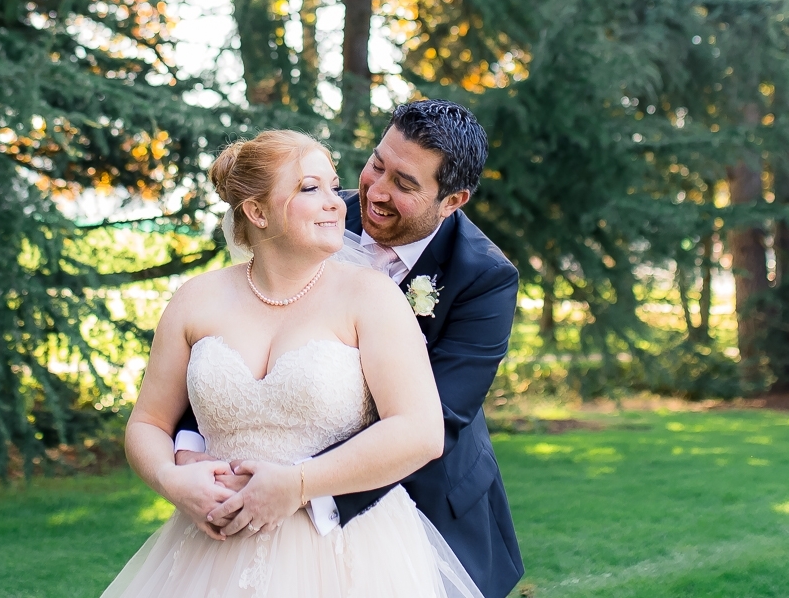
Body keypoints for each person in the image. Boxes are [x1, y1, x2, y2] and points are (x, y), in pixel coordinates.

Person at [173, 102, 525, 598]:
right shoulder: (313, 214)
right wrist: (191, 448)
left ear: (452, 201)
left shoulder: (484, 277)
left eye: (404, 184)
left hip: (425, 496)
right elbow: (234, 331)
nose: (375, 192)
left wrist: (297, 484)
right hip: (260, 493)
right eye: (377, 164)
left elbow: (436, 419)